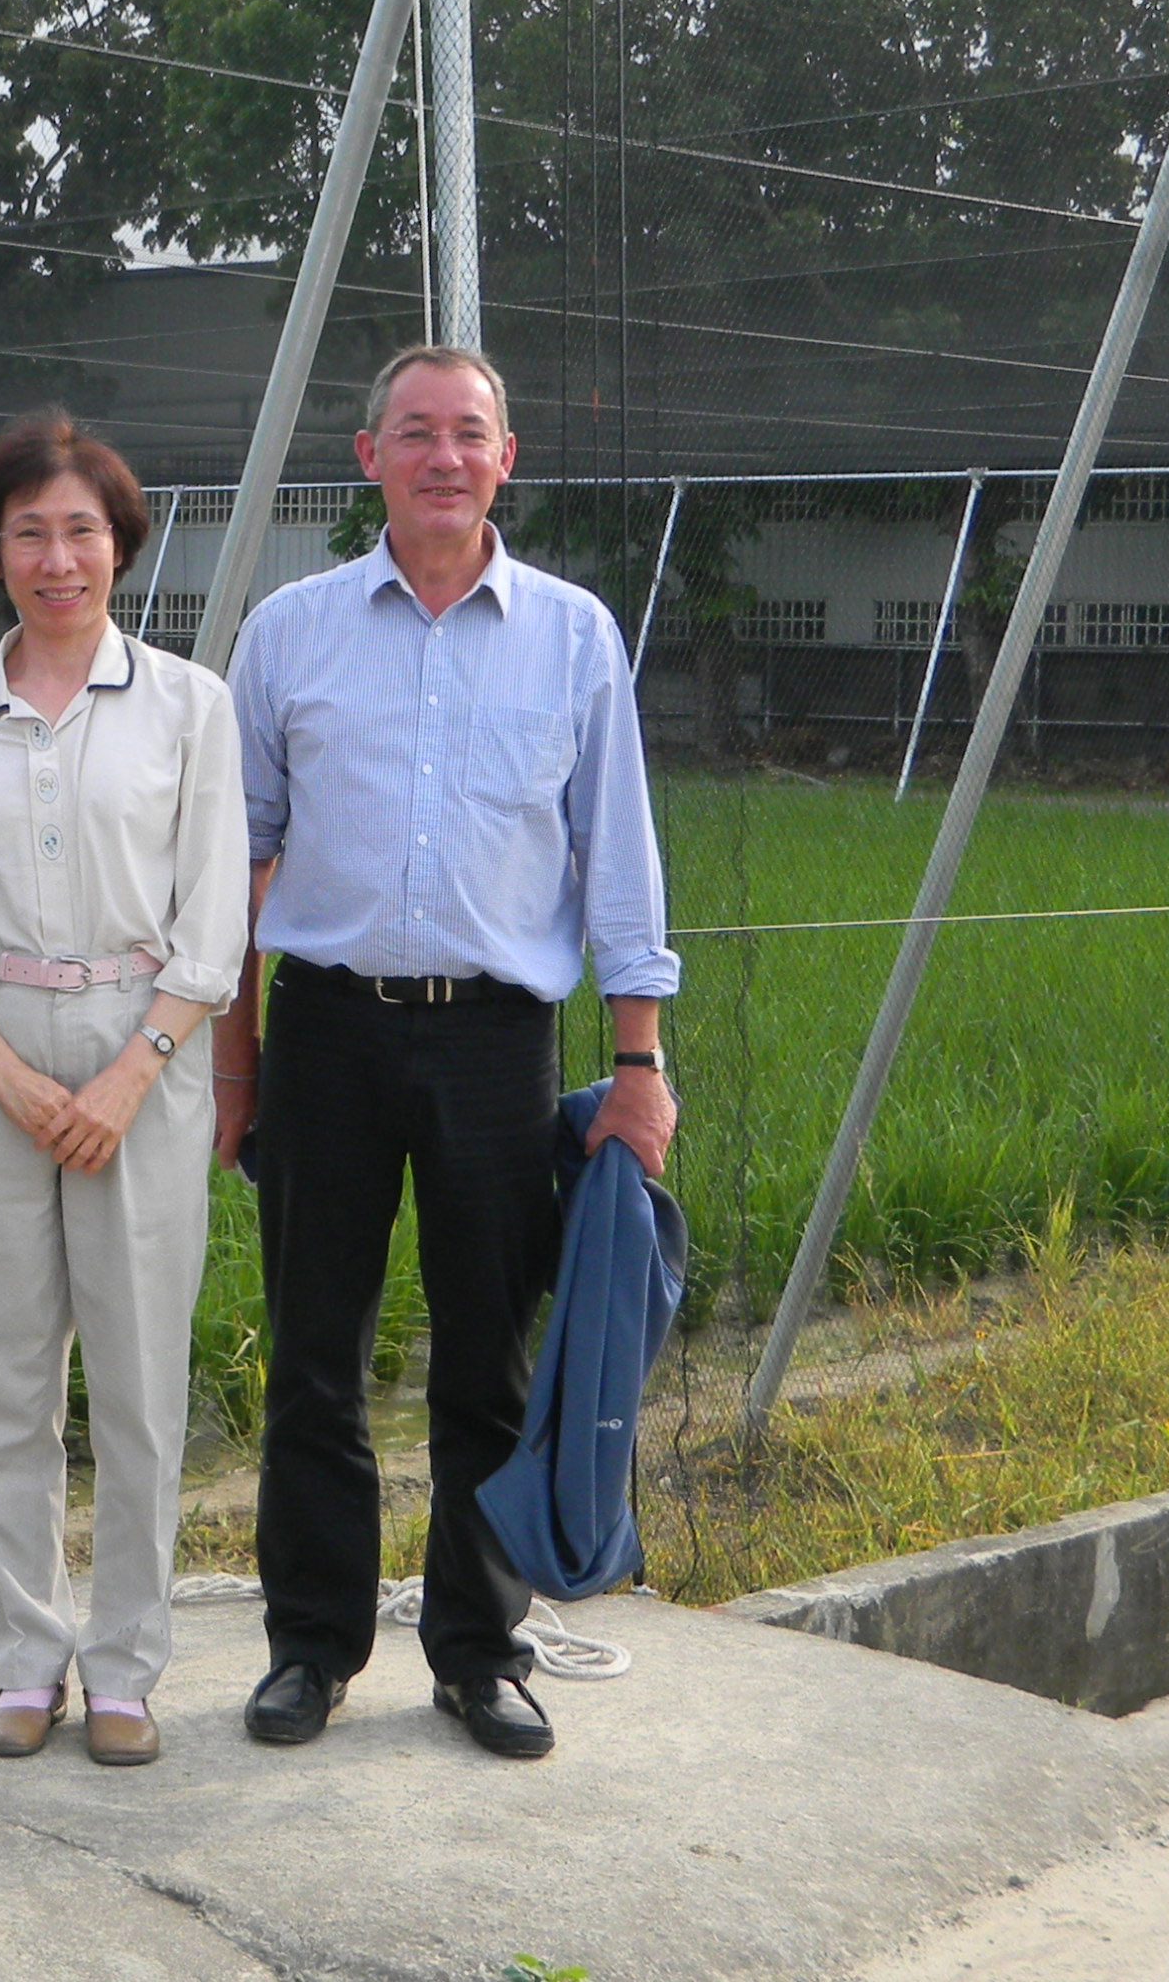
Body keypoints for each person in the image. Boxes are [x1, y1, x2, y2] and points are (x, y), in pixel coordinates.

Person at [213, 343, 678, 1763]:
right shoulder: (290, 631)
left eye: (467, 433)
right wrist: (236, 1069)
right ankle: (310, 1647)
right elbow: (233, 862)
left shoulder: (572, 636)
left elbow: (617, 856)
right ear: (369, 457)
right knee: (315, 1358)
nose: (442, 457)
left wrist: (640, 1061)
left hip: (495, 1040)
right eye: (413, 432)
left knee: (489, 1358)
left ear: (503, 457)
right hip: (327, 1030)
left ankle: (479, 1653)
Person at [0, 412, 247, 1770]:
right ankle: (26, 1657)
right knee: (1, 1373)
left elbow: (213, 918)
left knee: (139, 1380)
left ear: (119, 545)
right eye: (26, 532)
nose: (56, 558)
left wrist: (134, 1072)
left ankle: (129, 1668)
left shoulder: (188, 707)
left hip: (145, 1049)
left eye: (80, 530)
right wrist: (3, 1073)